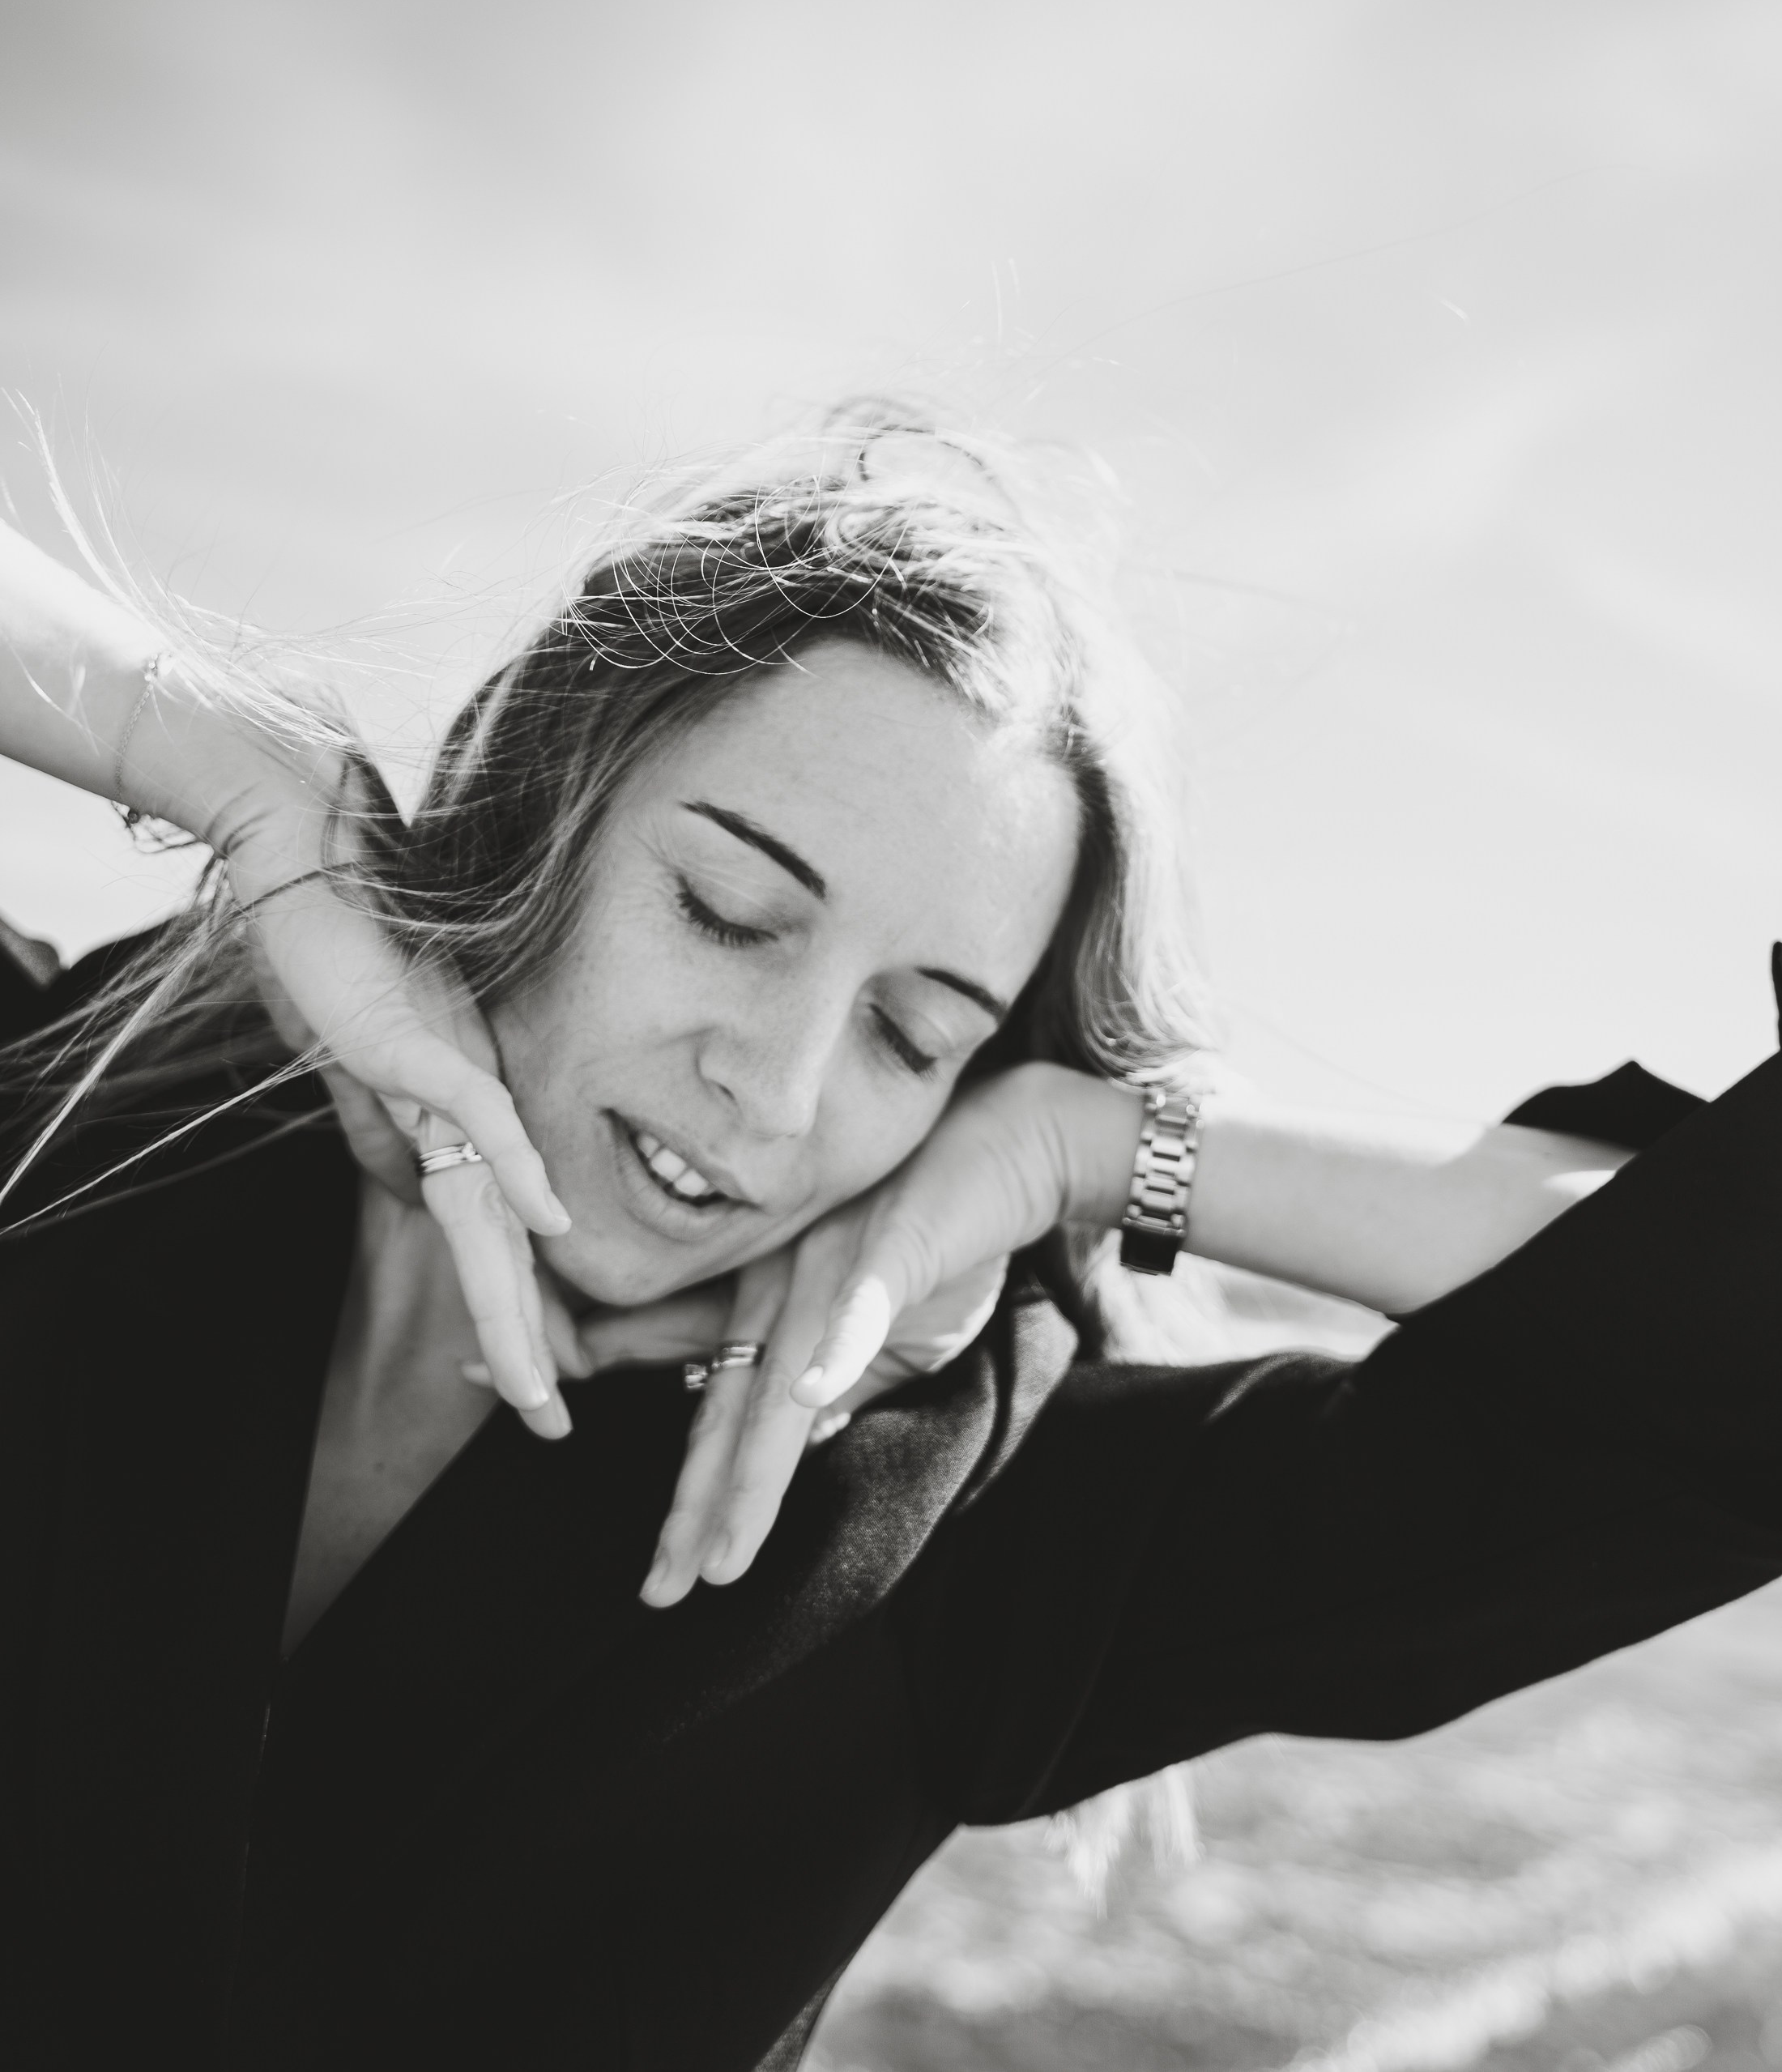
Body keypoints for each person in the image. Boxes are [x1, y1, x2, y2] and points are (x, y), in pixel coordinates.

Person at [1, 412, 1775, 2072]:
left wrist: (1100, 1146)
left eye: (914, 1035)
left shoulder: (981, 1522)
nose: (772, 1093)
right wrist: (234, 766)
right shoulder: (74, 1107)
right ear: (539, 806)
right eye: (729, 912)